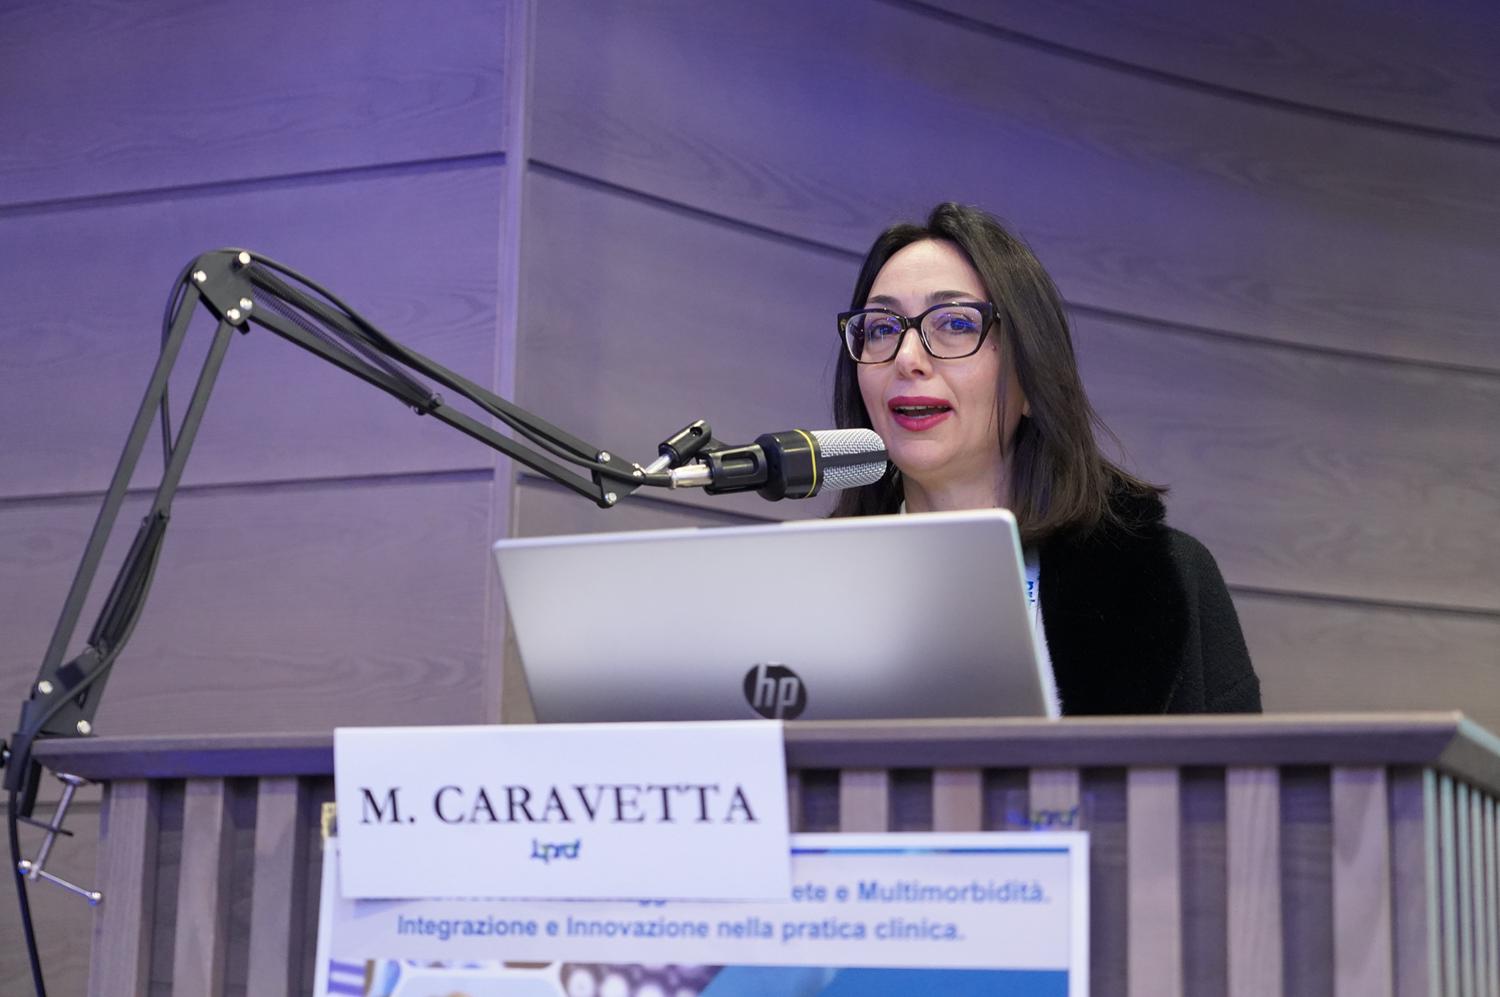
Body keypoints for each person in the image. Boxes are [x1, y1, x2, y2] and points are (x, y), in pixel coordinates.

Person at [832, 202, 1260, 714]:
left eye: (955, 323)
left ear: (1031, 377)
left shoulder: (1166, 578)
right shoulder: (820, 587)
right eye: (881, 328)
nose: (907, 358)